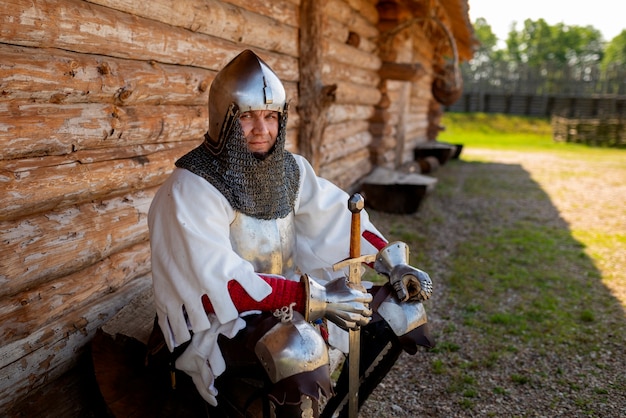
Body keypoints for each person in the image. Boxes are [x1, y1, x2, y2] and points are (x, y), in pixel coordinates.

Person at [147, 49, 434, 417]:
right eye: (247, 117)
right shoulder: (190, 189)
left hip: (290, 303)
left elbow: (342, 219)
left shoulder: (289, 171)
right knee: (297, 346)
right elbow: (218, 288)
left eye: (271, 116)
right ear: (224, 118)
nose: (261, 130)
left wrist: (393, 266)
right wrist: (313, 297)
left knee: (400, 309)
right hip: (214, 322)